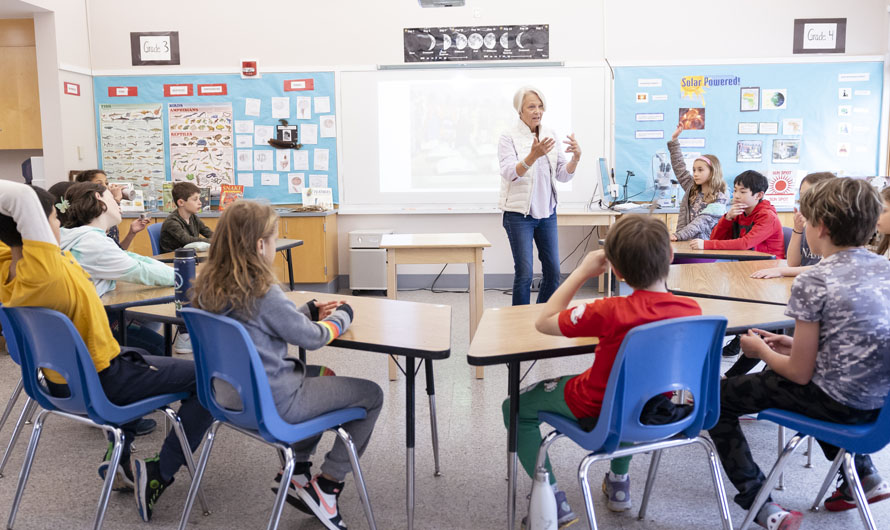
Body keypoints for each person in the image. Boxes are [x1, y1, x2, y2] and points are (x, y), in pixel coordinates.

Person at [0, 180, 212, 523]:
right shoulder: (45, 272)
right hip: (102, 379)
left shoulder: (10, 265)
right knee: (210, 380)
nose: (59, 225)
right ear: (35, 224)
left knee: (139, 356)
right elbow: (23, 198)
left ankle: (121, 459)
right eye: (54, 219)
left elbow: (16, 228)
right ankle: (159, 473)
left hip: (63, 382)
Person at [710, 177, 890, 530]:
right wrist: (792, 345)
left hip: (836, 403)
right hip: (877, 405)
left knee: (718, 398)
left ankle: (760, 503)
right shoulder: (885, 269)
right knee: (797, 384)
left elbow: (799, 374)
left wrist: (760, 349)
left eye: (804, 220)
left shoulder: (814, 280)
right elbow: (858, 341)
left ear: (820, 226)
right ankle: (865, 476)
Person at [191, 200, 383, 530]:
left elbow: (264, 323)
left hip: (226, 400)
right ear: (259, 245)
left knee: (323, 376)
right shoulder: (262, 290)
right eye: (274, 238)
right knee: (372, 394)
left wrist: (307, 308)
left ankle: (296, 470)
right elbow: (312, 339)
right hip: (275, 404)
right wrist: (342, 315)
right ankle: (329, 484)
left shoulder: (205, 287)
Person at [503, 215, 701, 527]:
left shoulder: (609, 311)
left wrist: (581, 272)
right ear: (671, 257)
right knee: (634, 395)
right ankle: (619, 485)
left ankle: (551, 497)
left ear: (617, 271)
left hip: (595, 407)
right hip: (653, 411)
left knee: (513, 406)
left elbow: (544, 321)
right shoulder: (692, 312)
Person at [57, 182, 173, 357]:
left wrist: (174, 271)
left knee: (147, 322)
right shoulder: (91, 243)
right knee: (159, 346)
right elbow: (143, 271)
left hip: (71, 323)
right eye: (112, 198)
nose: (119, 205)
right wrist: (184, 276)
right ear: (99, 198)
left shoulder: (75, 235)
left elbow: (134, 259)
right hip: (88, 327)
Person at [498, 85, 582, 306]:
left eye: (540, 106)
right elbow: (509, 173)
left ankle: (539, 317)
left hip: (547, 213)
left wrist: (575, 159)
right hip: (519, 215)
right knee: (525, 274)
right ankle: (519, 325)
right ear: (520, 111)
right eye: (531, 106)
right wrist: (532, 156)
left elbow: (563, 175)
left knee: (553, 272)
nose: (537, 111)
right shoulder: (508, 136)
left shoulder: (550, 134)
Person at [750, 172, 835, 279]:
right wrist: (798, 229)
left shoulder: (833, 227)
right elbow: (792, 263)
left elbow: (824, 267)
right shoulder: (808, 225)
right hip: (806, 279)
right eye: (802, 196)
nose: (804, 202)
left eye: (810, 196)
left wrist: (782, 271)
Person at [689, 170, 785, 258]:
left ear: (759, 195)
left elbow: (745, 243)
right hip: (745, 260)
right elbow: (716, 238)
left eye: (743, 192)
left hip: (769, 265)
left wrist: (705, 245)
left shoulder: (767, 216)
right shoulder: (739, 211)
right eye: (735, 191)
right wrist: (727, 218)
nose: (736, 196)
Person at [667, 123, 728, 241]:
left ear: (712, 172)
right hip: (686, 242)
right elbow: (679, 167)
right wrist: (674, 140)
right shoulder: (692, 188)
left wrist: (678, 235)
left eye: (700, 170)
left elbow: (701, 222)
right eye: (694, 170)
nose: (695, 173)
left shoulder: (720, 196)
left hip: (706, 247)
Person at [74, 169, 150, 250]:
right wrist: (116, 200)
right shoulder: (91, 214)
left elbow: (118, 251)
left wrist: (131, 233)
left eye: (106, 183)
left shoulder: (108, 213)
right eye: (99, 184)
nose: (105, 187)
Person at [158, 181, 213, 254]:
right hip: (173, 259)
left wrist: (221, 238)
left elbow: (207, 231)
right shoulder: (171, 222)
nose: (200, 202)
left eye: (199, 199)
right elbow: (188, 240)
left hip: (189, 256)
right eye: (195, 199)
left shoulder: (193, 217)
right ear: (181, 202)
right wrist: (215, 241)